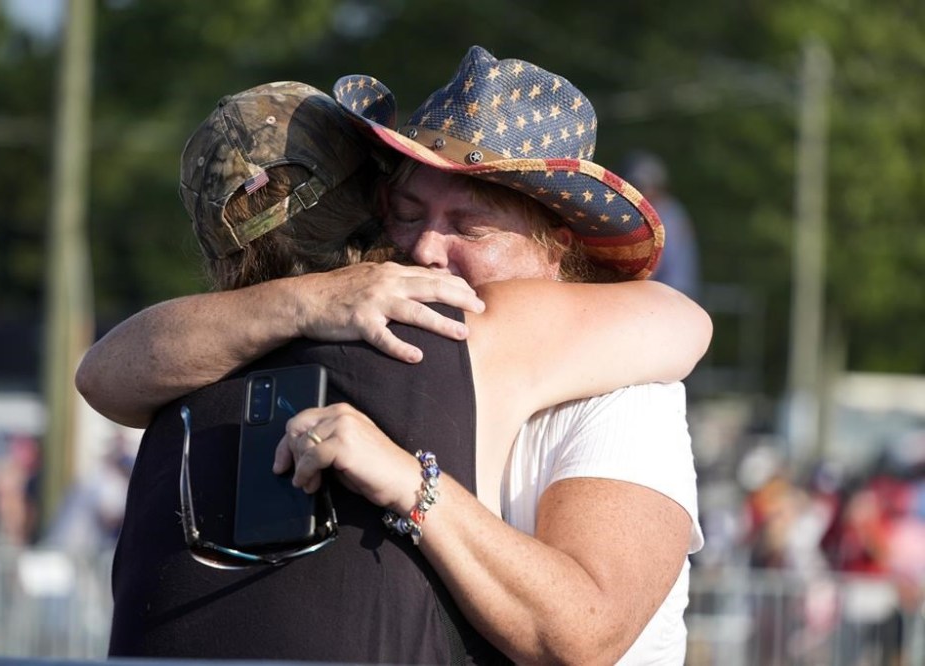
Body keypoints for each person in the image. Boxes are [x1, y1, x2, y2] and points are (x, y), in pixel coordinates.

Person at [81, 47, 709, 664]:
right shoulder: (346, 332)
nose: (427, 250)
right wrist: (310, 300)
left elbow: (585, 634)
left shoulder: (627, 390)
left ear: (556, 247)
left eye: (470, 227)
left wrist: (412, 483)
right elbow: (104, 374)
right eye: (406, 214)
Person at [621, 150, 701, 300]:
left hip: (670, 297)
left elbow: (657, 268)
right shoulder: (669, 211)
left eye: (642, 187)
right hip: (668, 294)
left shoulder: (667, 217)